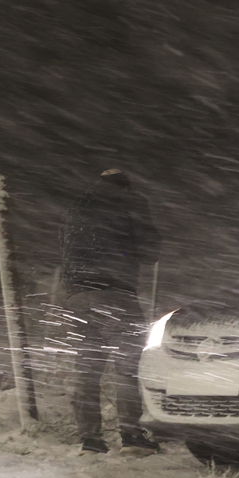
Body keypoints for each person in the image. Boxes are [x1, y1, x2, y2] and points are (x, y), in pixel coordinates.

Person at [60, 168, 160, 455]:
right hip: (116, 293)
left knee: (88, 368)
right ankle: (131, 434)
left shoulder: (76, 207)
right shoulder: (130, 203)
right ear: (125, 185)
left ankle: (90, 438)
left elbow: (63, 248)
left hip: (77, 295)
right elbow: (151, 251)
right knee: (128, 368)